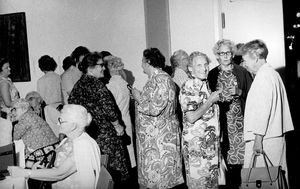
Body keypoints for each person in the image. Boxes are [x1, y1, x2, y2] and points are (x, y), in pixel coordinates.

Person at [68, 52, 131, 187]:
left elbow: (71, 107)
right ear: (90, 68)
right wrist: (117, 126)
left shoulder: (78, 85)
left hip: (88, 134)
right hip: (105, 135)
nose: (104, 68)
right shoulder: (97, 85)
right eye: (101, 65)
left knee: (97, 170)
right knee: (113, 171)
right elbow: (109, 109)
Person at [8, 104, 102, 189]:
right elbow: (59, 165)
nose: (57, 124)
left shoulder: (83, 146)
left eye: (61, 121)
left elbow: (60, 173)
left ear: (73, 126)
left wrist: (25, 172)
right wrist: (43, 168)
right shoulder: (69, 139)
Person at [240, 39, 294, 186]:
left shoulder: (263, 77)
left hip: (264, 139)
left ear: (255, 57)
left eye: (245, 60)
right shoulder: (273, 74)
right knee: (276, 180)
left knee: (262, 181)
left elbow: (263, 110)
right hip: (273, 137)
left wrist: (258, 138)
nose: (244, 64)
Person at [131, 48, 183, 189]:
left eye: (142, 61)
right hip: (156, 136)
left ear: (148, 62)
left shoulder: (160, 79)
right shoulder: (158, 78)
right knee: (159, 177)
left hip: (159, 138)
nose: (141, 65)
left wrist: (138, 97)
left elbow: (154, 108)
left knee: (160, 177)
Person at [207, 39, 253, 189]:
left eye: (228, 52)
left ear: (232, 54)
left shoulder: (241, 71)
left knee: (241, 162)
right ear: (217, 56)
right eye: (222, 53)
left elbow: (253, 96)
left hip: (240, 123)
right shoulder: (212, 74)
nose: (225, 56)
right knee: (225, 162)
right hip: (222, 124)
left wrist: (240, 92)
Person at [179, 51, 220, 189]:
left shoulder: (203, 84)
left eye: (206, 64)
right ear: (190, 68)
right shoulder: (189, 85)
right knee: (200, 184)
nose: (204, 68)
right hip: (197, 148)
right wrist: (210, 101)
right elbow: (191, 117)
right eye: (199, 65)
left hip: (208, 146)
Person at [106, 55, 136, 169]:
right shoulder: (125, 83)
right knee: (130, 149)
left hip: (118, 121)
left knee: (121, 151)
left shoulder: (110, 86)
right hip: (126, 117)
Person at [11, 98, 59, 167]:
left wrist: (11, 122)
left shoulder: (25, 119)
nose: (12, 113)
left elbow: (14, 137)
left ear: (24, 109)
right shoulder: (33, 115)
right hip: (53, 151)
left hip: (42, 156)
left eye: (15, 109)